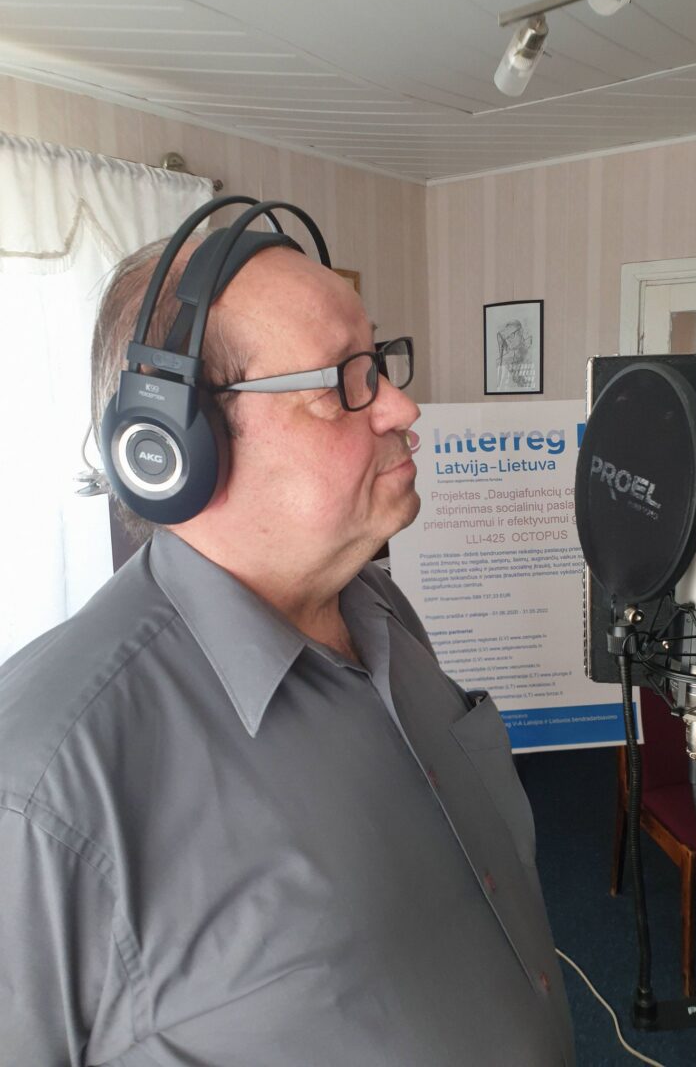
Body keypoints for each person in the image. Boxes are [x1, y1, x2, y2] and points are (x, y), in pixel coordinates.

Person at [0, 214, 575, 1066]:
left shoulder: (381, 609)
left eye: (380, 362)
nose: (402, 405)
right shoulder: (41, 788)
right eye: (346, 380)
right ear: (176, 444)